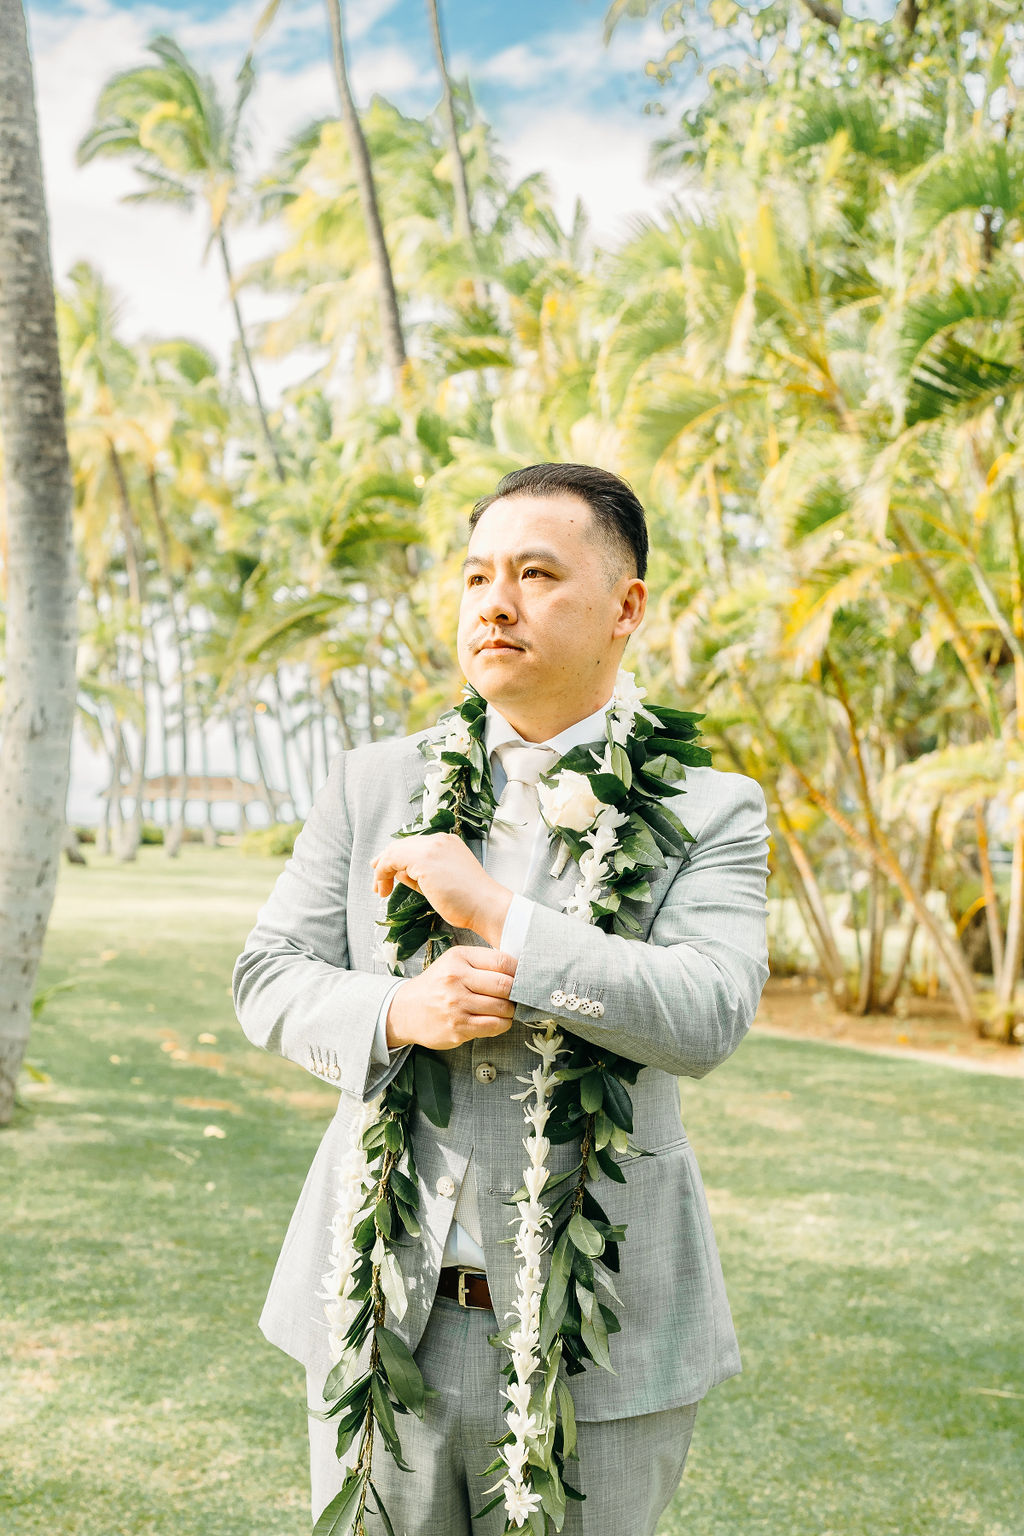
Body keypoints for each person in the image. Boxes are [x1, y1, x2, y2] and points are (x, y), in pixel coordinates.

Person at [232, 461, 770, 1535]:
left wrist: (504, 921)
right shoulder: (372, 781)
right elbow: (268, 976)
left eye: (534, 573)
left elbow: (706, 1010)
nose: (494, 601)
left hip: (606, 1334)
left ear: (626, 608)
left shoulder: (709, 807)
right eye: (476, 575)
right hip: (382, 1315)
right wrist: (396, 1012)